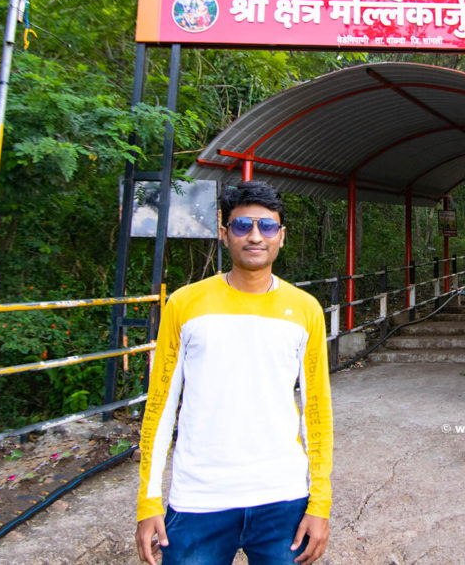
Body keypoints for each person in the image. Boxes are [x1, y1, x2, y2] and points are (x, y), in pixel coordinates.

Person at [135, 181, 333, 565]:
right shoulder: (185, 304)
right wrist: (148, 501)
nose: (255, 236)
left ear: (281, 237)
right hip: (198, 500)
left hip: (283, 500)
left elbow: (317, 412)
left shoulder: (305, 309)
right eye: (242, 226)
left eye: (267, 227)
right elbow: (159, 408)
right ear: (225, 234)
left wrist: (320, 502)